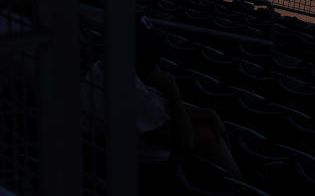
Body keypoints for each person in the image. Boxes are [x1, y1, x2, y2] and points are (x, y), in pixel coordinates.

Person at [83, 19, 243, 177]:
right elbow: (185, 144)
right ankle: (236, 186)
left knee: (205, 122)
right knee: (208, 132)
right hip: (141, 165)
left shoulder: (100, 67)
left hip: (112, 147)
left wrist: (206, 113)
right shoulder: (132, 90)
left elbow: (156, 108)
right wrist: (172, 91)